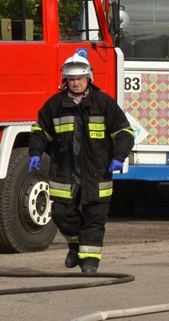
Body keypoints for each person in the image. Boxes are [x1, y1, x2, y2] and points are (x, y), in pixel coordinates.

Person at [27, 52, 135, 274]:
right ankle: (76, 246)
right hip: (64, 172)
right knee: (61, 213)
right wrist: (35, 152)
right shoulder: (55, 105)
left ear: (89, 79)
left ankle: (90, 263)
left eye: (80, 78)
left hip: (97, 172)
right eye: (71, 79)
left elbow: (124, 132)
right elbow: (40, 130)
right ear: (65, 80)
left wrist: (118, 156)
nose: (76, 83)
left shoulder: (104, 103)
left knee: (94, 218)